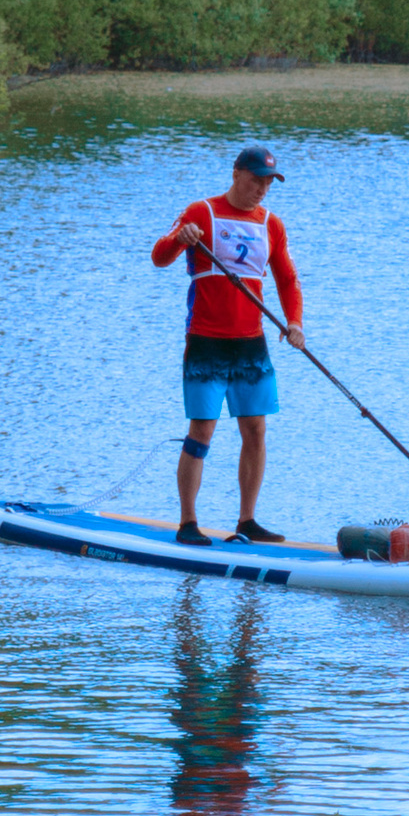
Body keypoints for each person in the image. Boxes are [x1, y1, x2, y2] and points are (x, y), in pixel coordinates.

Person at [151, 145, 304, 545]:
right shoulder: (202, 212)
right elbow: (159, 256)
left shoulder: (272, 224)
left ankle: (247, 521)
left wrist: (294, 323)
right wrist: (180, 238)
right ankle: (187, 524)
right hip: (206, 341)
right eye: (255, 180)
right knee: (202, 430)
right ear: (236, 173)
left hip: (251, 343)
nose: (261, 189)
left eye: (268, 183)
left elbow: (287, 280)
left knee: (255, 429)